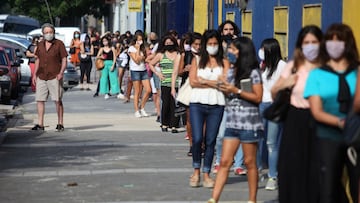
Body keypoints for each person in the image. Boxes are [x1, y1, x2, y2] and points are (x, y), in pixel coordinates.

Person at [304, 23, 359, 203]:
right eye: (330, 40)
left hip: (356, 135)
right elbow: (316, 111)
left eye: (339, 40)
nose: (334, 45)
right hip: (327, 136)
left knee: (357, 185)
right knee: (328, 188)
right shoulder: (317, 75)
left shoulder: (357, 72)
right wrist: (341, 122)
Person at [271, 25, 324, 203]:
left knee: (316, 166)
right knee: (292, 165)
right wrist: (285, 84)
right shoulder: (293, 66)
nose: (310, 46)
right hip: (295, 119)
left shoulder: (326, 67)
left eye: (314, 42)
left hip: (321, 120)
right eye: (306, 42)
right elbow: (273, 92)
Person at [208, 37, 263, 203]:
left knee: (249, 161)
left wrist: (236, 90)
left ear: (243, 52)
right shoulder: (230, 71)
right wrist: (223, 87)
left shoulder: (254, 73)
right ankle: (214, 199)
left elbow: (258, 97)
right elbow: (229, 95)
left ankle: (252, 199)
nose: (229, 52)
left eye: (233, 49)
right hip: (232, 121)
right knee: (225, 161)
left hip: (249, 123)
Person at [188, 29, 229, 188]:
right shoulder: (197, 60)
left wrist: (204, 81)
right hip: (197, 103)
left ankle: (206, 173)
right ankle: (196, 171)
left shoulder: (224, 62)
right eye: (209, 43)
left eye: (215, 44)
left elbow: (224, 84)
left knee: (210, 140)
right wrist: (213, 83)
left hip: (217, 105)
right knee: (197, 138)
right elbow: (193, 82)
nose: (212, 46)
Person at [258, 38, 287, 190]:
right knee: (257, 139)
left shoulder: (282, 66)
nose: (261, 51)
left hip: (275, 106)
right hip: (261, 105)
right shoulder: (262, 66)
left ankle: (272, 176)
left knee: (271, 143)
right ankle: (258, 170)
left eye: (264, 49)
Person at [31, 23, 67, 132]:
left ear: (54, 32)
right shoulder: (40, 45)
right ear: (43, 34)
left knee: (57, 100)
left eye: (50, 32)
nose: (48, 34)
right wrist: (34, 74)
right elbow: (37, 60)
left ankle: (60, 123)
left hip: (54, 75)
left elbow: (64, 59)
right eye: (46, 32)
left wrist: (61, 72)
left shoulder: (59, 44)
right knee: (40, 100)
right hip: (42, 75)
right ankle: (40, 124)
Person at [149, 35, 181, 133]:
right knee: (166, 103)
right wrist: (158, 73)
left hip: (176, 82)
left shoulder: (178, 54)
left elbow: (177, 70)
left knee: (174, 104)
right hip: (165, 82)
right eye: (167, 43)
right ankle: (164, 123)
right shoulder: (161, 55)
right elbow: (151, 64)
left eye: (170, 43)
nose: (169, 45)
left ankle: (174, 125)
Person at [177, 32, 202, 156]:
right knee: (190, 119)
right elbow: (179, 72)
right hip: (188, 88)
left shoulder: (205, 56)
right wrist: (185, 69)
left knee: (203, 119)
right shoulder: (185, 55)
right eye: (196, 44)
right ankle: (192, 145)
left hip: (202, 88)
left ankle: (202, 144)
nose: (198, 46)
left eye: (200, 44)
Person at [128, 32, 152, 117]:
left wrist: (142, 55)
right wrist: (138, 49)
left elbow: (145, 58)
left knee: (148, 89)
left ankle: (142, 107)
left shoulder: (143, 48)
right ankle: (136, 110)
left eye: (141, 40)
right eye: (138, 40)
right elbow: (137, 60)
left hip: (143, 70)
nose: (140, 41)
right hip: (135, 71)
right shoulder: (131, 48)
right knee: (137, 91)